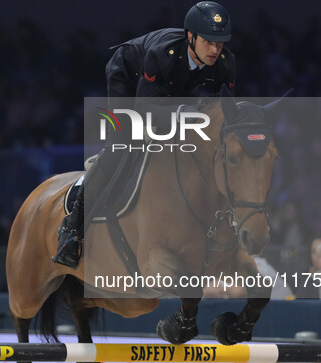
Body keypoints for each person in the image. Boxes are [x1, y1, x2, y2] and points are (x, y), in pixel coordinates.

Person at [53, 1, 235, 267]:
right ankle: (72, 229)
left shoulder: (226, 61)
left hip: (175, 85)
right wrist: (190, 114)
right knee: (125, 143)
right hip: (129, 77)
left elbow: (225, 112)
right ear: (190, 37)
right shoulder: (164, 53)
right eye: (208, 42)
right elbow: (145, 109)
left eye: (220, 43)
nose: (215, 50)